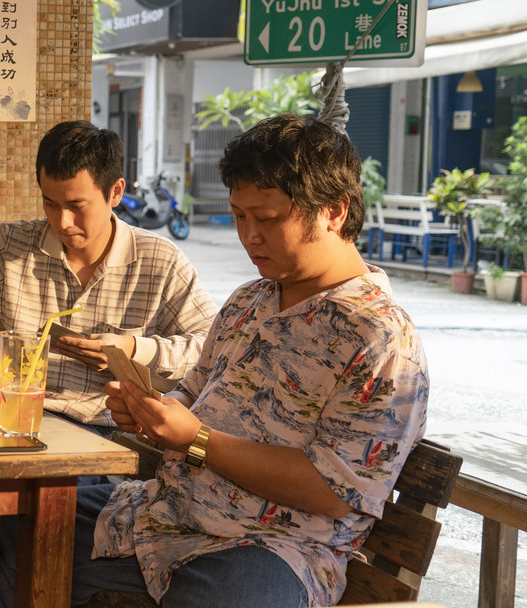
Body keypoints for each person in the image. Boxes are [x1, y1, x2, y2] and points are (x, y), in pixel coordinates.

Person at [61, 115, 429, 608]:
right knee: (9, 521)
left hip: (272, 548)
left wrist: (197, 440)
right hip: (160, 515)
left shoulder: (380, 338)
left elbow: (335, 490)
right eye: (238, 216)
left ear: (334, 211)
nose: (249, 236)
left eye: (268, 218)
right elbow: (193, 394)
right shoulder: (249, 301)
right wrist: (152, 413)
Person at [0, 120, 216, 430]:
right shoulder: (9, 245)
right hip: (3, 412)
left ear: (115, 192)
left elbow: (211, 351)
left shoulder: (161, 261)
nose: (62, 222)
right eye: (50, 204)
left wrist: (133, 348)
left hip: (99, 428)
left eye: (76, 206)